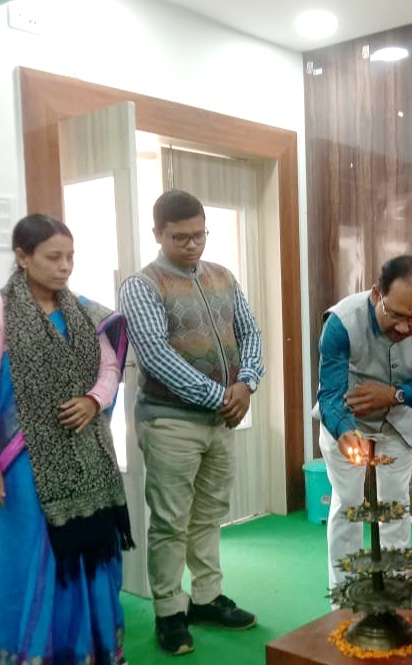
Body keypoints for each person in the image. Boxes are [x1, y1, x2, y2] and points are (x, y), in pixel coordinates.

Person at [0, 213, 133, 665]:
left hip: (88, 459)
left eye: (70, 257)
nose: (65, 267)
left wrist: (94, 400)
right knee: (32, 558)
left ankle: (89, 652)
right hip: (24, 463)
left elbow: (110, 368)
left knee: (88, 557)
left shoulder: (82, 308)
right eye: (53, 257)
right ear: (22, 257)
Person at [118, 189, 264, 656]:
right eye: (180, 237)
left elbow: (250, 332)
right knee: (170, 520)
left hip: (222, 419)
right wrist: (222, 396)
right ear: (157, 233)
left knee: (210, 513)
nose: (192, 244)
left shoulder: (223, 276)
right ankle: (169, 611)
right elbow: (155, 356)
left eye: (199, 234)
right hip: (170, 422)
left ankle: (206, 597)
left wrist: (247, 383)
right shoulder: (142, 285)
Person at [315, 254, 412, 595]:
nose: (405, 328)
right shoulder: (341, 322)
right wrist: (344, 431)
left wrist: (394, 395)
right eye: (396, 315)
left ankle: (394, 596)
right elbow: (330, 394)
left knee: (395, 506)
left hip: (399, 422)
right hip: (345, 419)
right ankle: (344, 600)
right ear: (377, 294)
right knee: (348, 505)